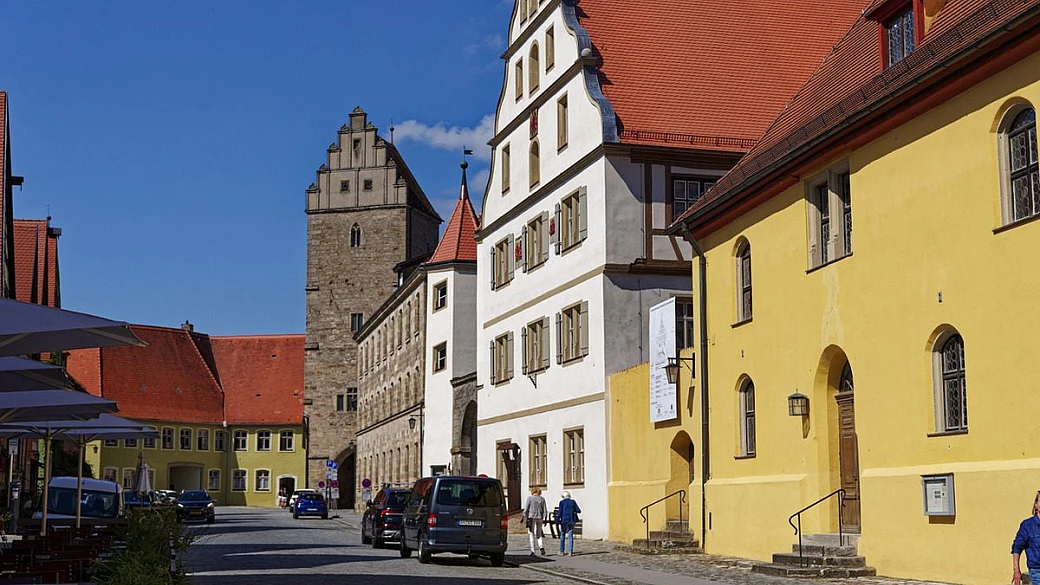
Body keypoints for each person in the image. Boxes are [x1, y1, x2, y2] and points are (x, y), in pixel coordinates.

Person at [1012, 491, 1040, 584]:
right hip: (1037, 571)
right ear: (1036, 505)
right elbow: (1017, 547)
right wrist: (1016, 570)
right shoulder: (1027, 525)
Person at [523, 488, 548, 556]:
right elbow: (545, 510)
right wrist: (545, 518)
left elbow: (526, 509)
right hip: (540, 517)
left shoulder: (530, 498)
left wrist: (523, 516)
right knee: (539, 533)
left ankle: (533, 550)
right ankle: (541, 546)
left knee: (531, 533)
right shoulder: (542, 499)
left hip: (532, 517)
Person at [556, 491, 581, 556]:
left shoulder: (561, 502)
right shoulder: (573, 502)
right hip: (571, 520)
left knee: (562, 535)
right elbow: (578, 510)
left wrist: (557, 521)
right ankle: (570, 551)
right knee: (570, 535)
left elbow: (560, 512)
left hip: (564, 520)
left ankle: (561, 551)